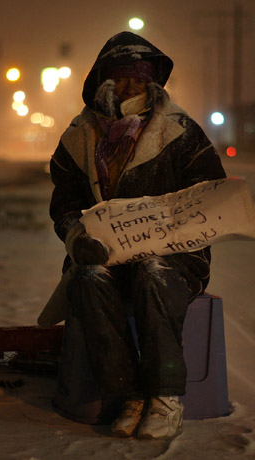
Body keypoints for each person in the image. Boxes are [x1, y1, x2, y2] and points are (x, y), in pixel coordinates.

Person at [48, 31, 226, 440]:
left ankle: (165, 398)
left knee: (152, 272)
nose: (132, 88)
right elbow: (64, 205)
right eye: (122, 79)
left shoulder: (182, 133)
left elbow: (210, 194)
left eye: (140, 80)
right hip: (102, 255)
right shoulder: (77, 139)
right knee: (88, 281)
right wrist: (77, 239)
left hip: (176, 256)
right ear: (101, 83)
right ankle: (127, 394)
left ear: (154, 83)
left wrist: (177, 230)